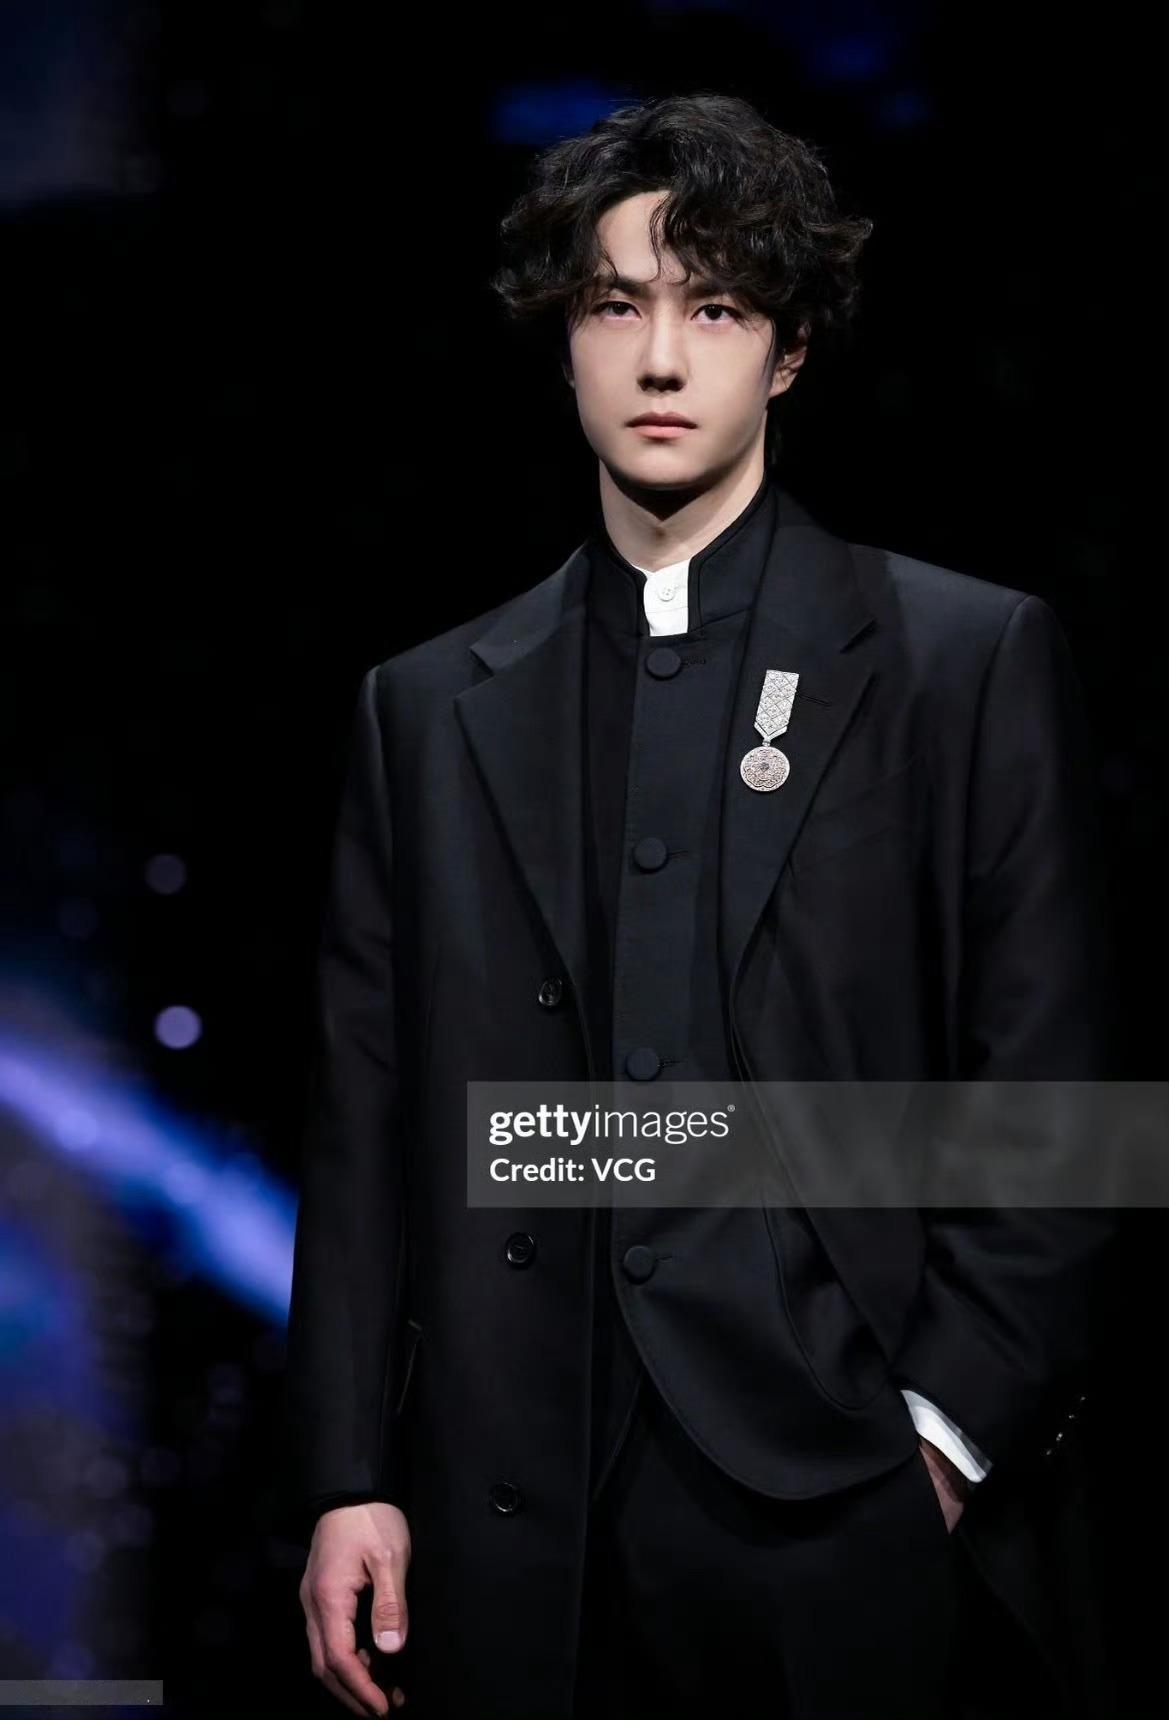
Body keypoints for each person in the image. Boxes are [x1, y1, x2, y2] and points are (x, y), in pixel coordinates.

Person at [281, 91, 1119, 1719]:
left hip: (841, 1505)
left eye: (717, 308)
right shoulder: (427, 707)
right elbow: (365, 1118)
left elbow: (1060, 1108)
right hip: (513, 1514)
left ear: (787, 351)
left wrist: (941, 1437)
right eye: (616, 307)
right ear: (565, 343)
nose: (661, 360)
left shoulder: (960, 663)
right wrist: (347, 1474)